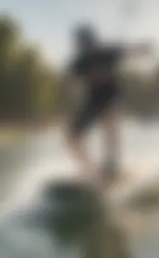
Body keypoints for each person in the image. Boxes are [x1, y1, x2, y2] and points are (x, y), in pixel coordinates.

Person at [64, 24, 153, 188]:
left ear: (92, 42)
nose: (87, 48)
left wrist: (144, 48)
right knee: (71, 134)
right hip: (93, 100)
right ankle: (91, 171)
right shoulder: (79, 62)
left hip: (113, 97)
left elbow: (128, 51)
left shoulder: (106, 53)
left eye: (88, 44)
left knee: (109, 119)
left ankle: (112, 167)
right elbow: (68, 74)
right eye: (83, 46)